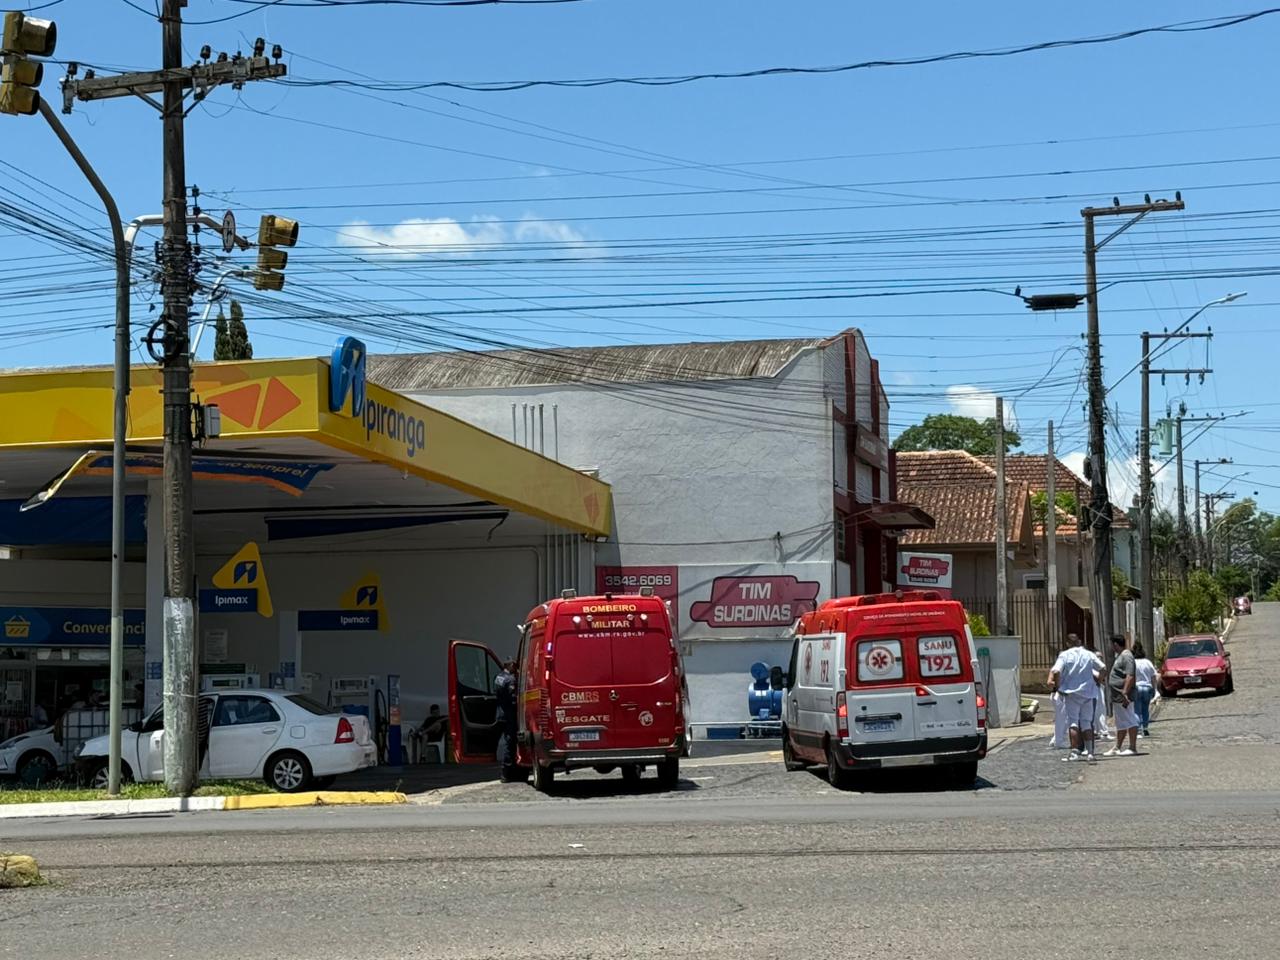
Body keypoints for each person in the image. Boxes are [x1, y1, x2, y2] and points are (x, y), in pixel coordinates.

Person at [1047, 633, 1105, 762]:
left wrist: (1058, 686)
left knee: (1073, 722)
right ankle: (1090, 752)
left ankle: (1074, 752)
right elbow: (1103, 668)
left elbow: (1056, 671)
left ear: (1067, 643)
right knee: (1087, 722)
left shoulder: (1064, 655)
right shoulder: (1088, 654)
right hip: (1088, 693)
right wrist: (1099, 681)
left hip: (1071, 693)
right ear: (1079, 641)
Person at [1105, 635, 1139, 756]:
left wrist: (1125, 692)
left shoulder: (1126, 656)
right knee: (1121, 722)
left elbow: (1130, 675)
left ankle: (1132, 747)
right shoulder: (1120, 656)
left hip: (1124, 695)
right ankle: (1117, 747)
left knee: (1130, 719)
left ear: (1115, 644)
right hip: (1117, 696)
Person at [494, 659, 519, 781]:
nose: (515, 668)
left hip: (500, 714)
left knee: (507, 742)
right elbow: (513, 699)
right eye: (514, 665)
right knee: (510, 744)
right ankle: (507, 773)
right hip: (509, 715)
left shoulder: (498, 677)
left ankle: (507, 772)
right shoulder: (510, 679)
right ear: (510, 665)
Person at [1132, 643, 1157, 738]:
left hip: (1137, 687)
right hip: (1147, 687)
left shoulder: (1133, 663)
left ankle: (1138, 730)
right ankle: (1145, 728)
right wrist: (1154, 689)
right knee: (1145, 710)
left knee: (1136, 710)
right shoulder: (1148, 662)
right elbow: (1153, 676)